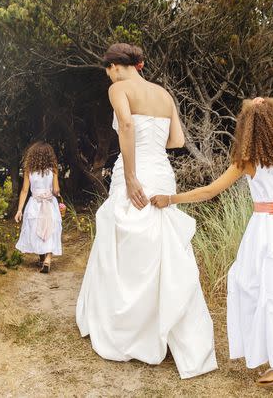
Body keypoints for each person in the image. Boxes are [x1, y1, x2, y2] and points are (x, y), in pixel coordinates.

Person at [151, 97, 273, 389]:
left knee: (264, 293)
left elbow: (209, 191)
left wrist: (171, 199)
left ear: (248, 130)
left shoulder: (247, 163)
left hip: (265, 233)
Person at [76, 43, 218, 379]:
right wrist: (151, 141)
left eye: (107, 70)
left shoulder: (119, 89)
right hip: (162, 172)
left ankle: (127, 329)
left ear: (114, 67)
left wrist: (129, 175)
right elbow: (176, 140)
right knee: (160, 248)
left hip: (136, 171)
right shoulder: (163, 94)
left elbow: (125, 126)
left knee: (126, 246)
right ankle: (162, 328)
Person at [15, 142, 63, 273]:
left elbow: (24, 191)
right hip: (49, 203)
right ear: (49, 156)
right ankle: (47, 258)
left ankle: (42, 259)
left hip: (34, 204)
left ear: (33, 155)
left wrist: (19, 210)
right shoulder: (53, 169)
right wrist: (56, 189)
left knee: (37, 231)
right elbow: (56, 190)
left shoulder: (29, 170)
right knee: (51, 230)